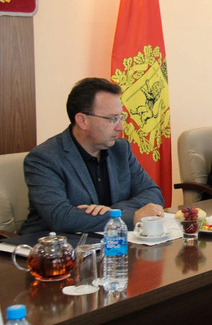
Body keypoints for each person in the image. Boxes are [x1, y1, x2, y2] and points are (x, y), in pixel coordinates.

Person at [20, 78, 164, 235]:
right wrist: (131, 216)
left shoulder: (121, 149)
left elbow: (153, 193)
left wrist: (113, 211)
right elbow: (60, 217)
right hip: (52, 246)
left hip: (107, 242)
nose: (120, 127)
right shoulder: (44, 158)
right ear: (82, 121)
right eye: (112, 119)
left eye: (120, 117)